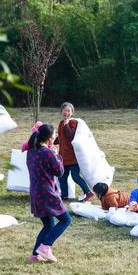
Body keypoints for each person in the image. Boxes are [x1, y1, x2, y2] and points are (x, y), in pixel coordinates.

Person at [26, 123, 72, 263]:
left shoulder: (31, 150)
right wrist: (57, 155)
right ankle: (46, 246)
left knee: (48, 225)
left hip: (35, 192)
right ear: (49, 139)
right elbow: (59, 171)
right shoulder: (48, 152)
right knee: (66, 220)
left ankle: (35, 255)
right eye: (54, 136)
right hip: (47, 193)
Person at [53, 102, 94, 202]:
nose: (66, 112)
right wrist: (51, 141)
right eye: (64, 110)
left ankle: (88, 192)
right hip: (63, 156)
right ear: (61, 111)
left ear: (72, 113)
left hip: (73, 156)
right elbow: (61, 137)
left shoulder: (73, 123)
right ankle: (64, 196)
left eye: (68, 111)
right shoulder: (61, 123)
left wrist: (67, 125)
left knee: (75, 176)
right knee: (62, 177)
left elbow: (71, 136)